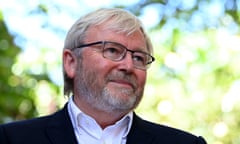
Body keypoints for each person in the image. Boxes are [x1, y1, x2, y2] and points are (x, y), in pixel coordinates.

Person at [0, 8, 207, 144]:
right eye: (113, 51)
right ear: (71, 62)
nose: (128, 65)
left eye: (138, 58)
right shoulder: (11, 139)